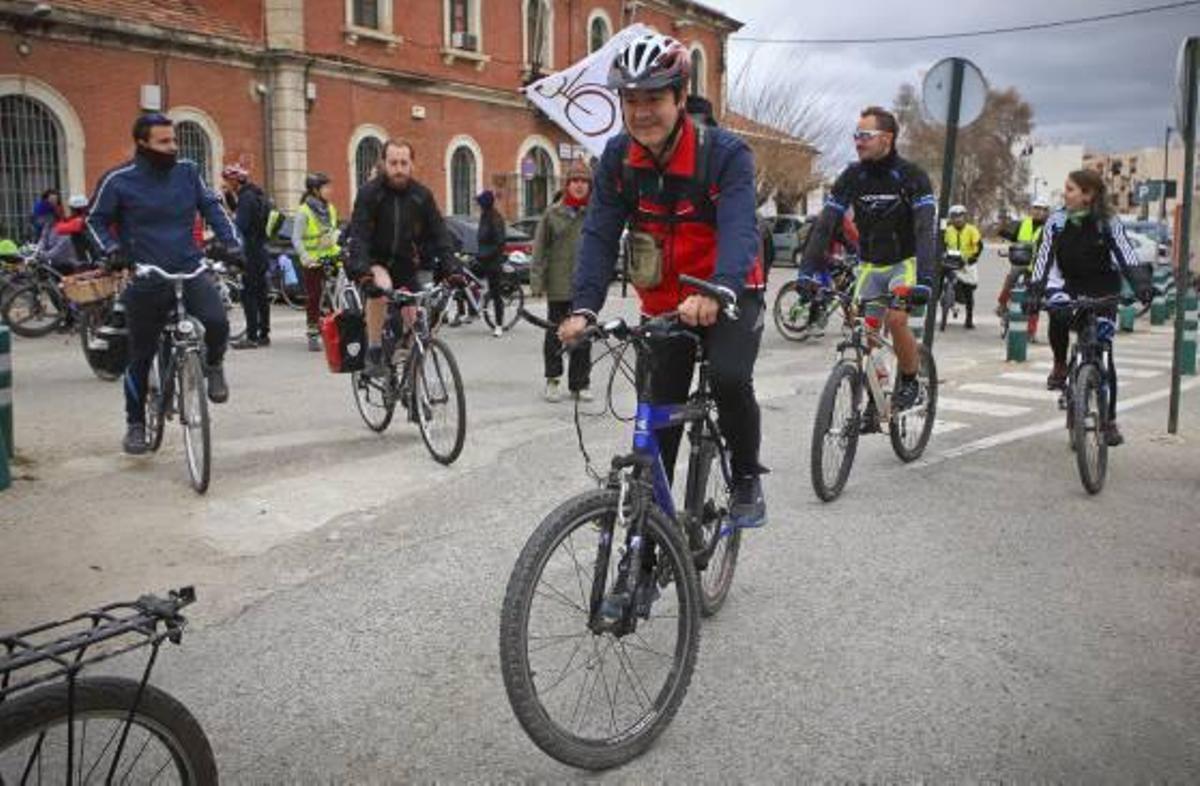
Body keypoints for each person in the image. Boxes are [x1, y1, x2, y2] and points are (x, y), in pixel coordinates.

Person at [559, 32, 769, 530]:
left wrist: (719, 289)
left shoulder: (724, 154)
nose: (641, 112)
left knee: (730, 378)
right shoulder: (616, 159)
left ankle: (744, 474)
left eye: (653, 98)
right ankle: (652, 542)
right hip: (665, 302)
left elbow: (740, 229)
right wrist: (583, 308)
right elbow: (598, 235)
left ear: (680, 97)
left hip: (730, 290)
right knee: (656, 416)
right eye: (630, 101)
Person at [87, 112, 242, 455]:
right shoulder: (119, 180)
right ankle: (136, 423)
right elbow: (94, 221)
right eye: (164, 141)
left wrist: (233, 244)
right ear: (142, 143)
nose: (172, 147)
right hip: (145, 275)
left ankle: (214, 365)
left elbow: (213, 208)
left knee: (217, 321)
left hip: (189, 268)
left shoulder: (187, 172)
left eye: (174, 140)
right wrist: (113, 251)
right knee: (140, 355)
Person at [801, 106, 935, 411]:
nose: (857, 142)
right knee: (862, 332)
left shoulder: (912, 176)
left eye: (865, 135)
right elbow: (825, 225)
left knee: (897, 319)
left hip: (906, 263)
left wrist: (926, 280)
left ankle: (912, 381)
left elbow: (925, 228)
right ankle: (878, 390)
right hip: (870, 266)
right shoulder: (852, 176)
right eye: (855, 135)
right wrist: (807, 272)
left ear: (887, 138)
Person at [1029, 169, 1152, 447]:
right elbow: (1043, 258)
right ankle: (1060, 365)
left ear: (1088, 195)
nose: (1065, 194)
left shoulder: (1108, 221)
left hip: (1104, 288)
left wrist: (1142, 284)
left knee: (1105, 355)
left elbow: (1126, 254)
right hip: (1068, 285)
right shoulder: (1056, 221)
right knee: (1058, 313)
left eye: (1071, 189)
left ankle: (1108, 421)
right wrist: (1036, 291)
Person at [346, 139, 457, 378]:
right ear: (384, 163)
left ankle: (410, 378)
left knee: (415, 324)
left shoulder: (421, 196)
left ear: (412, 165)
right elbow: (359, 235)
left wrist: (452, 267)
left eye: (403, 163)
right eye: (393, 163)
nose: (398, 168)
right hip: (376, 262)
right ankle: (374, 349)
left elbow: (440, 233)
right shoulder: (370, 193)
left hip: (406, 264)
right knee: (381, 288)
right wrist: (363, 271)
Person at [531, 158, 593, 402]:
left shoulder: (594, 213)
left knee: (583, 336)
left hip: (584, 286)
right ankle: (553, 379)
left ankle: (580, 384)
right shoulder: (552, 213)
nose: (579, 186)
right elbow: (539, 249)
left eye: (584, 181)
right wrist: (537, 281)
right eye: (575, 181)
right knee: (555, 334)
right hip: (558, 283)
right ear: (567, 185)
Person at [223, 164, 273, 349]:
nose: (226, 184)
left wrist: (230, 219)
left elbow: (241, 225)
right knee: (261, 294)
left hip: (250, 252)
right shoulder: (257, 195)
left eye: (228, 181)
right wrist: (228, 197)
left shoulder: (246, 198)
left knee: (248, 295)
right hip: (262, 250)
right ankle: (264, 334)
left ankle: (251, 336)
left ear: (236, 180)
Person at [292, 172, 341, 351]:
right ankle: (313, 333)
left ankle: (335, 329)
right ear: (315, 190)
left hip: (332, 257)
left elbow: (334, 230)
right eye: (326, 187)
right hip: (312, 260)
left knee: (338, 293)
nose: (330, 191)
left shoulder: (331, 208)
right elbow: (296, 239)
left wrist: (336, 238)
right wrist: (305, 257)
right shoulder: (304, 211)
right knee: (314, 297)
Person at [997, 197, 1049, 318]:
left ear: (1046, 212)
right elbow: (1012, 236)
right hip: (1020, 260)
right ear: (1031, 210)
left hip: (1037, 265)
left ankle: (1031, 332)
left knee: (1035, 297)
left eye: (1042, 209)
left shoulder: (1048, 227)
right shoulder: (1023, 223)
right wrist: (1004, 232)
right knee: (1011, 278)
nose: (1038, 211)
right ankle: (1002, 304)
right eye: (1036, 208)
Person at [475, 190, 509, 338]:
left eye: (480, 203)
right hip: (483, 258)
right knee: (465, 277)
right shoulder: (484, 216)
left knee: (496, 294)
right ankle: (470, 311)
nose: (478, 206)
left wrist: (487, 254)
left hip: (494, 261)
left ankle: (499, 325)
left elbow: (500, 242)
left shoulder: (496, 219)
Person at [943, 204, 983, 329]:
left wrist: (974, 257)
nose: (958, 219)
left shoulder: (971, 229)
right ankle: (937, 301)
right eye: (955, 217)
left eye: (960, 216)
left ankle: (969, 319)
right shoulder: (947, 230)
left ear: (964, 217)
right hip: (951, 262)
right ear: (951, 218)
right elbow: (942, 244)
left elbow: (979, 245)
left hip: (966, 263)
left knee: (969, 291)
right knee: (938, 278)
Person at [38, 194, 94, 274]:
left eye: (71, 209)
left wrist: (57, 223)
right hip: (81, 258)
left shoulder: (82, 220)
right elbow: (43, 239)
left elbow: (62, 229)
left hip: (85, 260)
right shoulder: (77, 219)